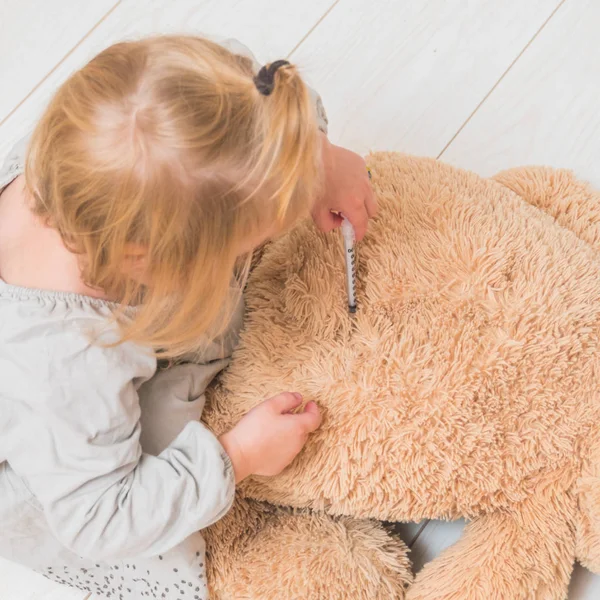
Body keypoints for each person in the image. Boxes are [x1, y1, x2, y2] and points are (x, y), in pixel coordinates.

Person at [0, 35, 375, 599]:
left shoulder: (130, 133)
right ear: (147, 262)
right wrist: (237, 456)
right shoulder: (66, 363)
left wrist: (320, 155)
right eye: (247, 246)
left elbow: (258, 104)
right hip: (54, 464)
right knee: (171, 530)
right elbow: (99, 518)